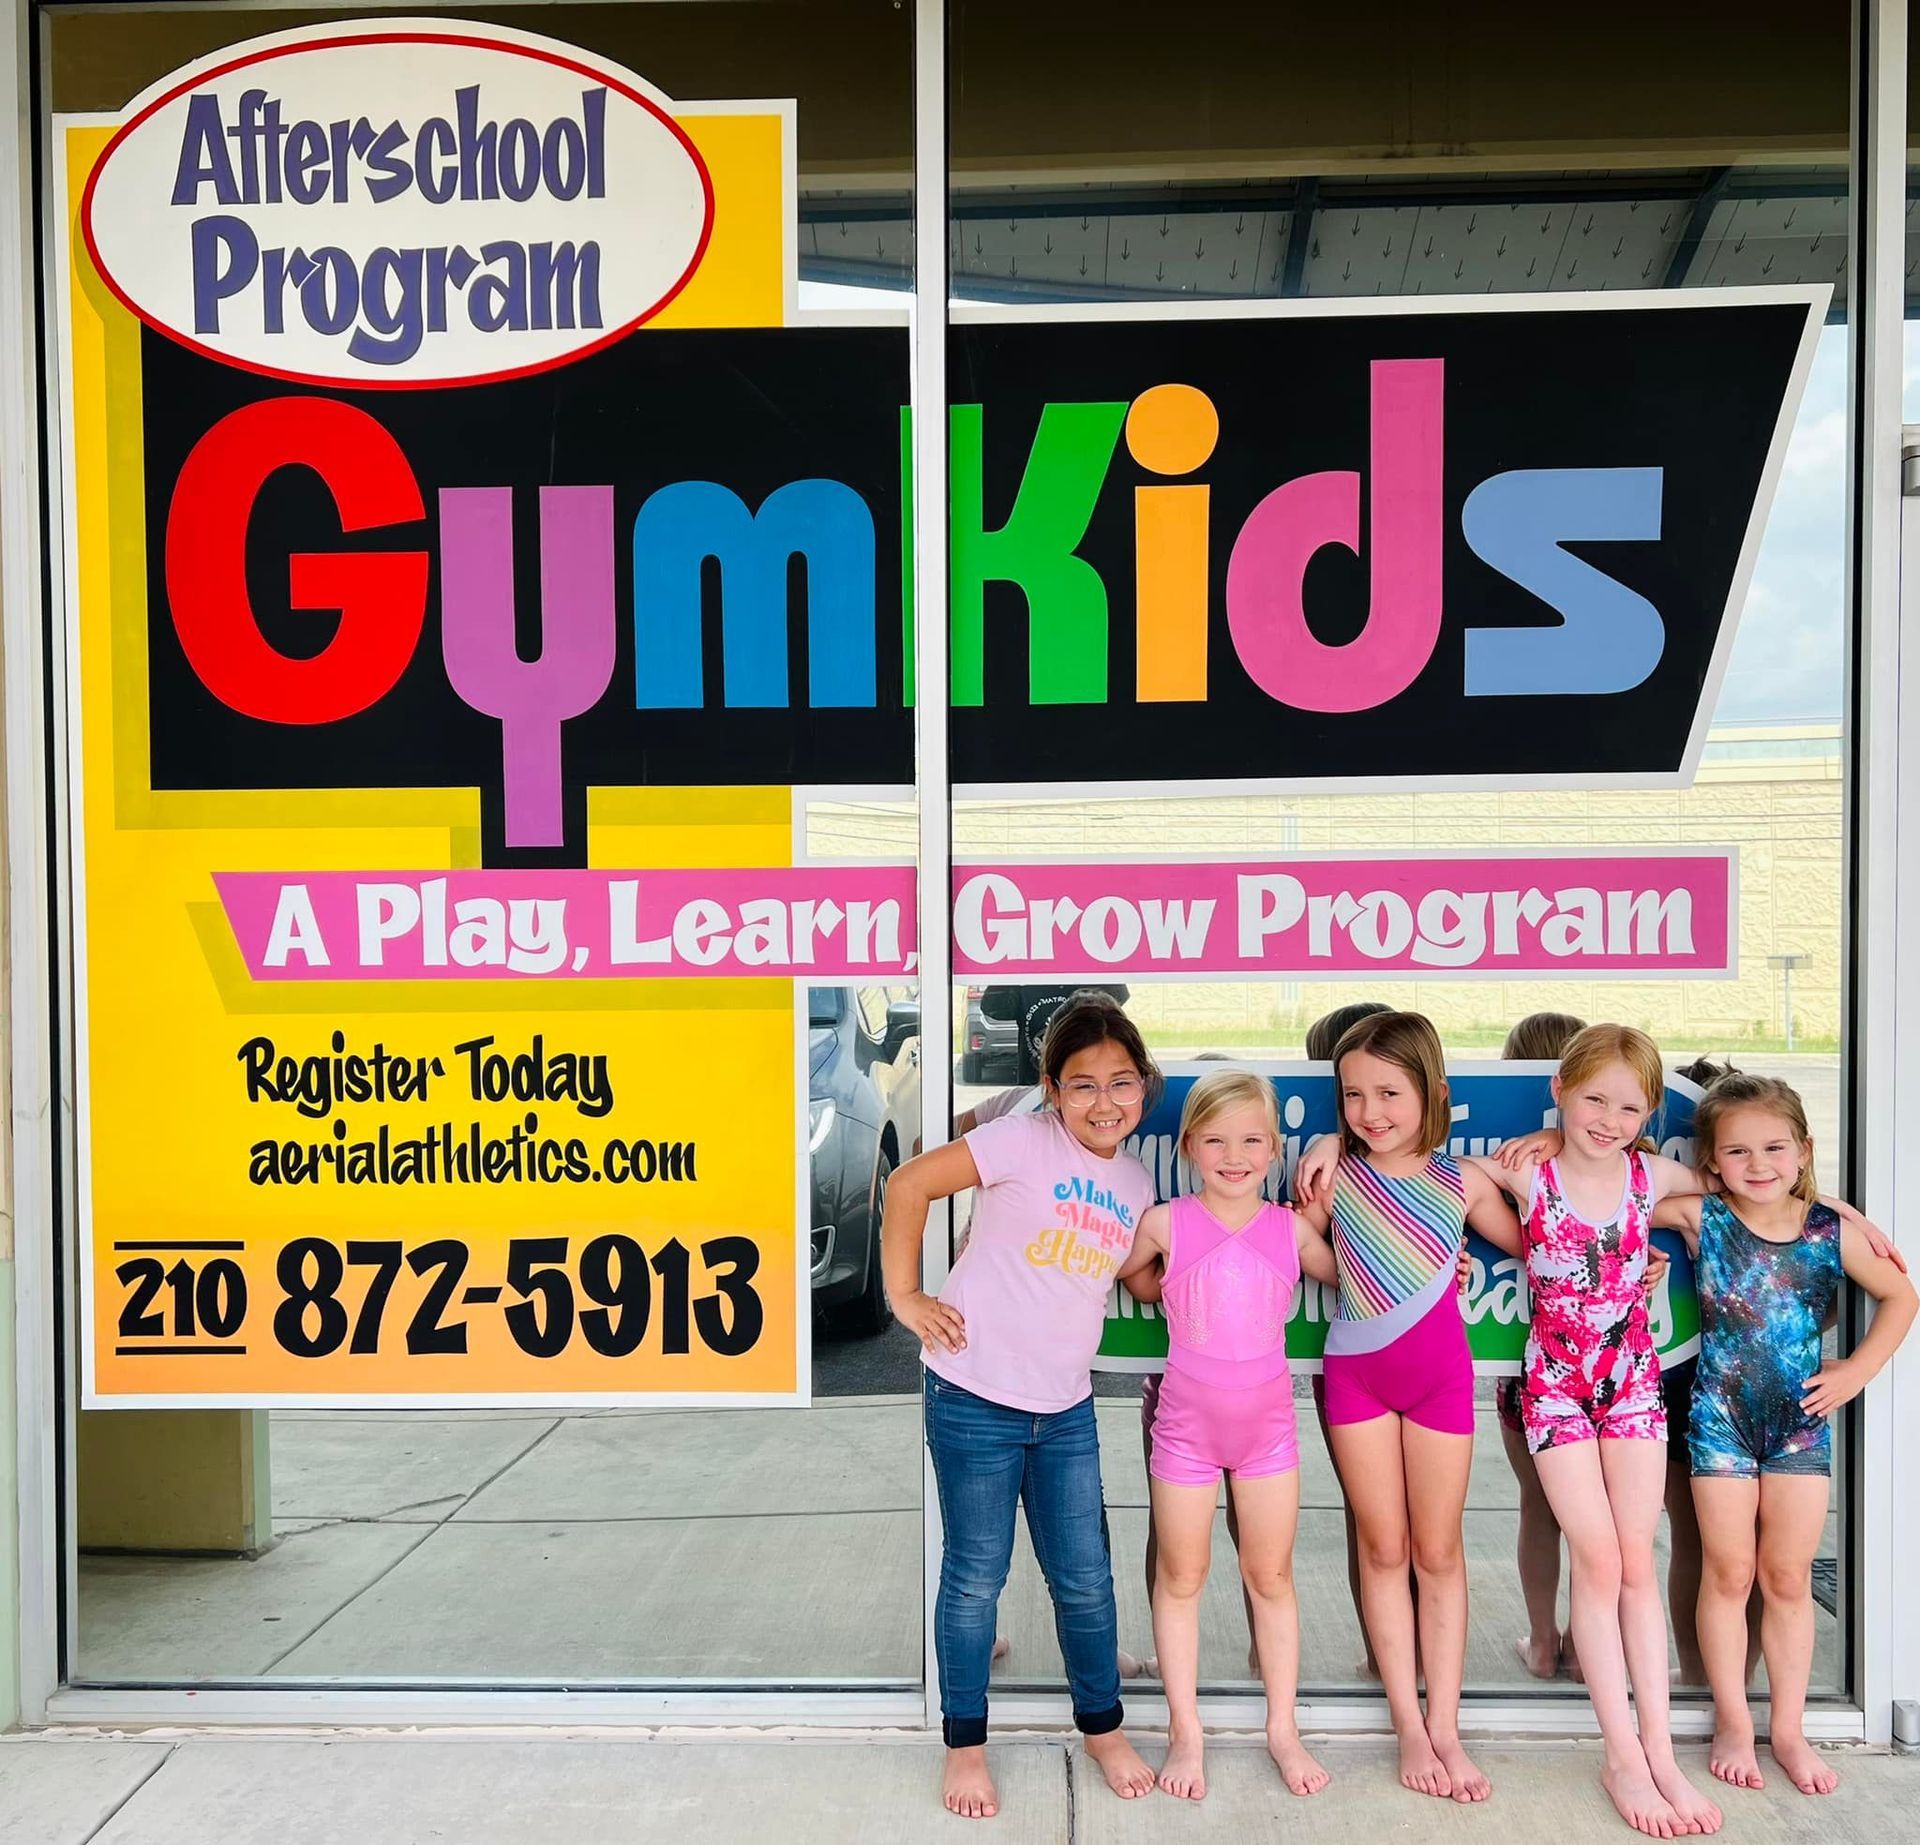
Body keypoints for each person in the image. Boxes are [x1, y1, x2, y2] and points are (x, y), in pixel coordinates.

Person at [881, 994, 1161, 1819]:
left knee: (1084, 1579)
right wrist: (904, 1294)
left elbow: (1132, 1275)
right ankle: (966, 1744)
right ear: (1051, 1088)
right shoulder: (1019, 1140)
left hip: (1066, 1405)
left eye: (1120, 1082)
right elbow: (907, 1184)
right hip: (973, 1392)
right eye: (1082, 1085)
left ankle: (1102, 1728)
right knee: (975, 1576)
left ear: (1143, 1086)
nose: (1103, 1101)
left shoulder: (1136, 1178)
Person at [1652, 1073, 1915, 1799]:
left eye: (1774, 1147)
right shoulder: (1704, 1217)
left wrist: (1857, 1370)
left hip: (1798, 1421)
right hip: (1719, 1422)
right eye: (1737, 1151)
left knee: (1788, 1578)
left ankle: (1789, 1728)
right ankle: (1734, 1717)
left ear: (1803, 1150)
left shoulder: (1829, 1232)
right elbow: (1611, 1184)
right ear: (1711, 1162)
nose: (1758, 1163)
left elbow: (1901, 1294)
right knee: (1728, 1573)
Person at [1491, 1024, 1724, 1837]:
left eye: (1629, 1105)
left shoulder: (1650, 1175)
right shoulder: (1532, 1175)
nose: (1609, 1117)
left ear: (1649, 1111)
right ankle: (1619, 1751)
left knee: (1634, 1560)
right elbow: (1436, 1173)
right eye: (1592, 1098)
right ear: (1560, 1089)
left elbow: (1735, 1185)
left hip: (1631, 1382)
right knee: (1595, 1556)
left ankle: (1659, 1750)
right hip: (1555, 1386)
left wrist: (1834, 1210)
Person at [1290, 1011, 1522, 1803]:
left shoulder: (1464, 1180)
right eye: (1352, 1095)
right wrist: (1347, 1259)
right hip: (1356, 1375)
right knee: (1383, 1550)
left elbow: (1537, 1241)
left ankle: (1447, 1725)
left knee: (1439, 1552)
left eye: (1390, 1091)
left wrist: (1551, 1154)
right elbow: (1292, 1241)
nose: (1369, 1111)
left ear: (1434, 1092)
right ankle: (1408, 1723)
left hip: (1438, 1379)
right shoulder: (1336, 1175)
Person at [1115, 1070, 1338, 1802]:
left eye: (1251, 1140)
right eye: (1215, 1139)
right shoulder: (1164, 1221)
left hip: (1268, 1431)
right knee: (1180, 1579)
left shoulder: (1290, 1228)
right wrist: (1156, 1283)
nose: (1233, 1155)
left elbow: (1358, 1278)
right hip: (1185, 1431)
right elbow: (1134, 1276)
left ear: (1275, 1149)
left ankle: (1283, 1727)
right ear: (1188, 1146)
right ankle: (1187, 1729)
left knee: (1270, 1578)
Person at [1490, 1011, 1590, 1682]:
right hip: (1602, 1365)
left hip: (1534, 1366)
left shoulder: (1513, 1156)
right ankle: (1582, 1645)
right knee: (1594, 1520)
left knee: (1538, 1507)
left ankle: (1544, 1640)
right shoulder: (1609, 1158)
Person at [1298, 1000, 1393, 1677]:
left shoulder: (1424, 1159)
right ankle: (1386, 1655)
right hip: (1350, 1358)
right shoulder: (1323, 1167)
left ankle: (1387, 1654)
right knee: (1382, 1522)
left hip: (1402, 1358)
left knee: (1385, 1523)